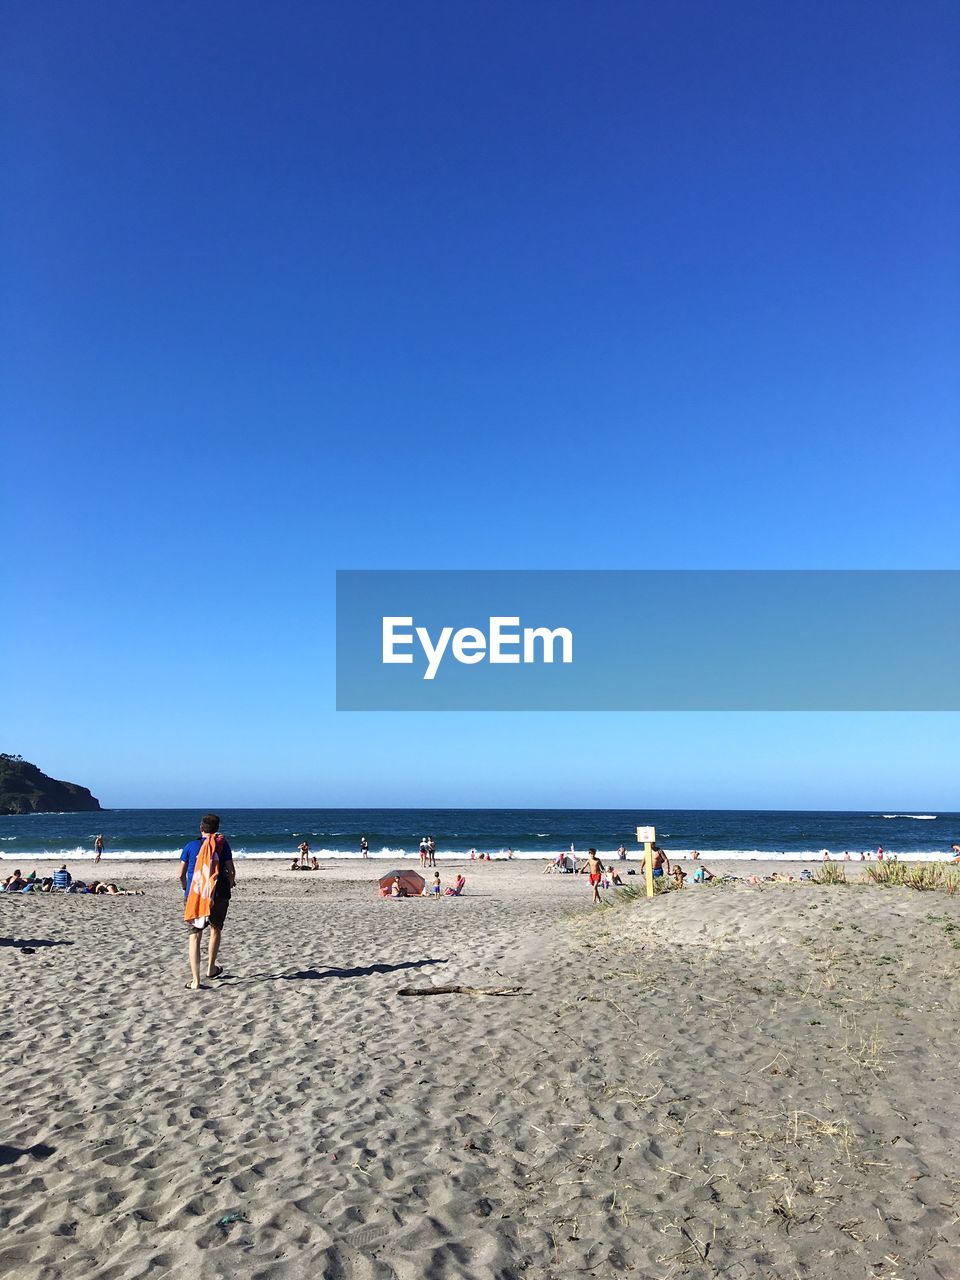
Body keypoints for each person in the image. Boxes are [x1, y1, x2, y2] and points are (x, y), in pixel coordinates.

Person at [180, 814, 236, 991]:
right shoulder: (222, 845)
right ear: (217, 828)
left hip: (196, 894)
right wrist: (231, 882)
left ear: (201, 827)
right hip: (218, 892)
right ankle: (211, 968)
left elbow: (180, 874)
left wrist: (185, 888)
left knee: (195, 935)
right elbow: (231, 869)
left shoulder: (190, 846)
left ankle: (195, 980)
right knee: (215, 928)